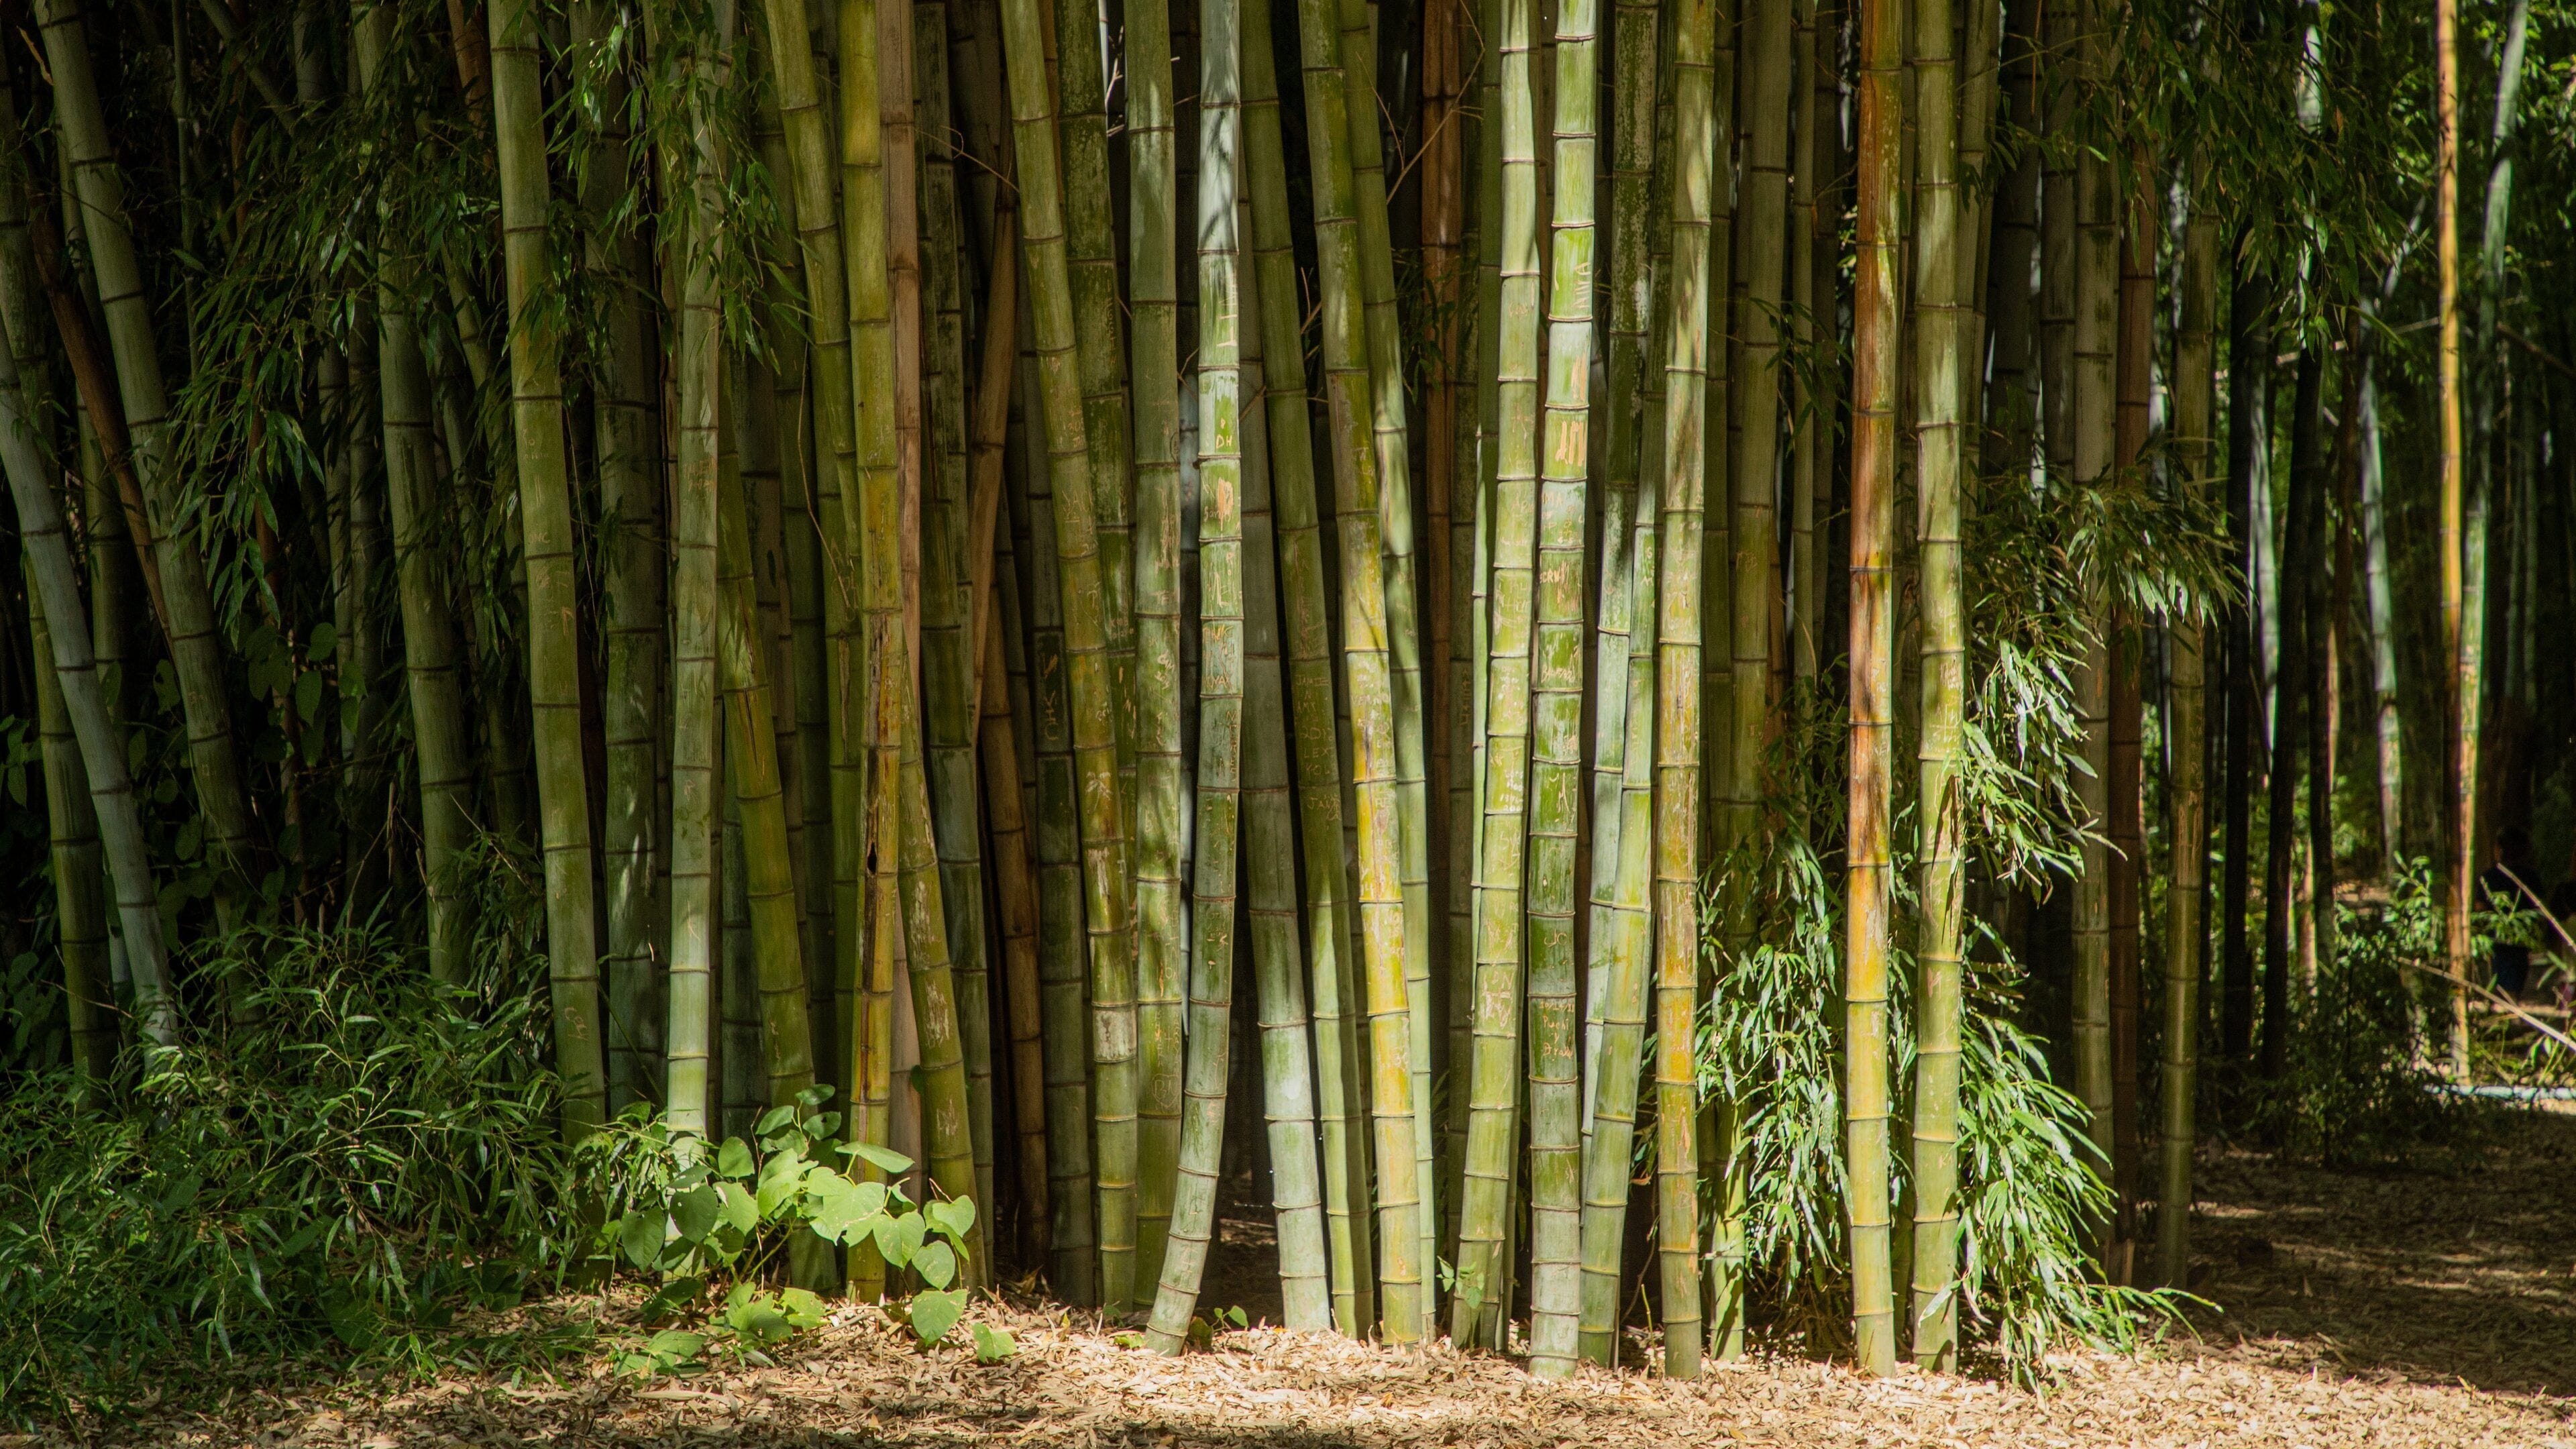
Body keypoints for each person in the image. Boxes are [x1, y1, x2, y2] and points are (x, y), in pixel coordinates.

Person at [2481, 826, 2536, 998]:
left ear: (2500, 849)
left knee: (2502, 987)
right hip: (2521, 941)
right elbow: (2538, 910)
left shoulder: (2490, 877)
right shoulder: (2530, 877)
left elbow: (2479, 909)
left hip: (2496, 941)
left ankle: (2509, 1019)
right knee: (2514, 987)